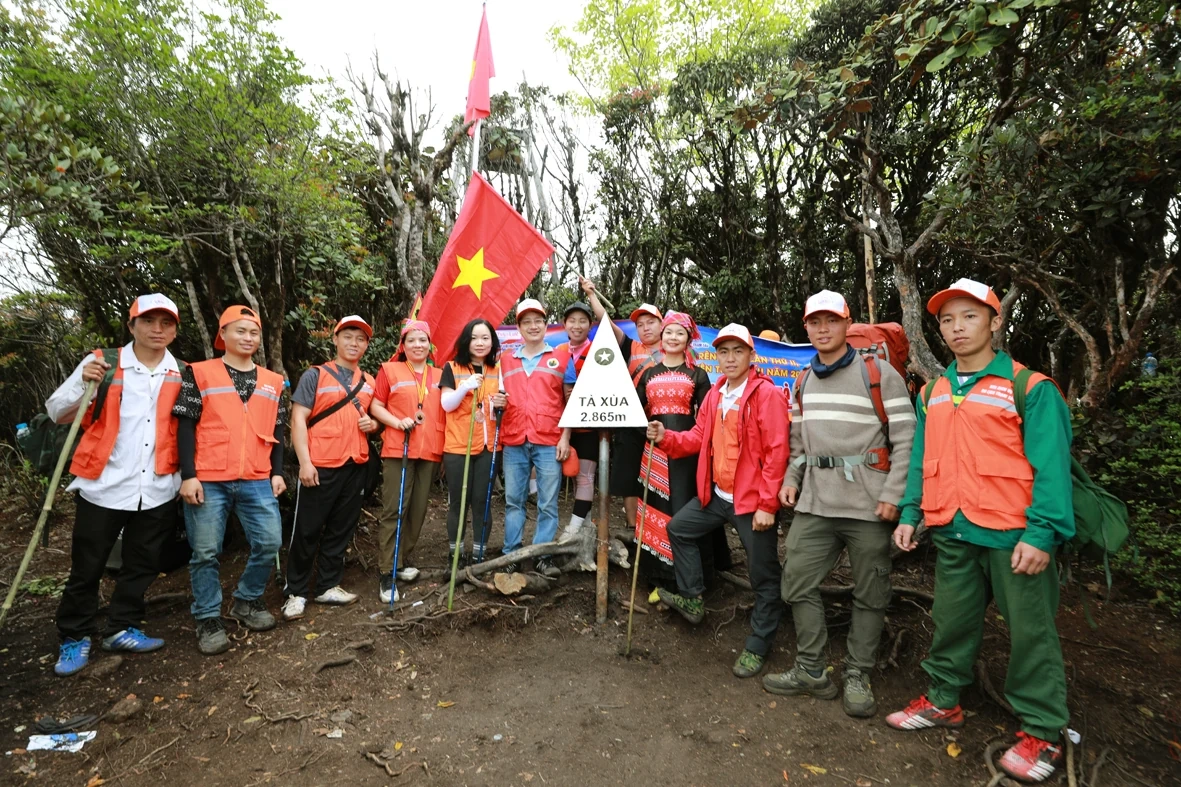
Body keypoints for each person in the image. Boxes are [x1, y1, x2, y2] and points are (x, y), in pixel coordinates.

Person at [885, 279, 1074, 784]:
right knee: (950, 621)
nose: (956, 328)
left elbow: (1052, 467)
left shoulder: (1029, 387)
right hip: (953, 530)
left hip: (1015, 535)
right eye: (947, 320)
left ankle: (1042, 731)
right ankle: (944, 700)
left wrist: (1043, 533)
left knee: (1031, 635)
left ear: (994, 321)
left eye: (969, 316)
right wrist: (910, 513)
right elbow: (921, 461)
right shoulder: (934, 392)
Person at [763, 290, 915, 718]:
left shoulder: (880, 374)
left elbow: (907, 440)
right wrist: (793, 478)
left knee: (871, 593)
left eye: (831, 320)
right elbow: (798, 442)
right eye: (815, 322)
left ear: (848, 323)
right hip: (815, 502)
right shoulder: (803, 380)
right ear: (806, 327)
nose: (823, 329)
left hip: (869, 504)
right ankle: (812, 669)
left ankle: (858, 673)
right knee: (795, 580)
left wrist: (893, 494)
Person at [45, 294, 184, 676]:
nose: (158, 329)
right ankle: (75, 636)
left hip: (157, 486)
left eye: (166, 323)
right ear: (132, 324)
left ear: (174, 329)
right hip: (104, 485)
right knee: (87, 567)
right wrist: (81, 384)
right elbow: (56, 411)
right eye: (149, 321)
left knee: (142, 565)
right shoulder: (102, 364)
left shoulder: (182, 372)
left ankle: (123, 626)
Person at [646, 324, 789, 679]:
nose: (729, 358)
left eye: (737, 351)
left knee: (763, 576)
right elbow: (697, 437)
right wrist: (667, 437)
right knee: (678, 528)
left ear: (750, 355)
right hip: (717, 496)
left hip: (751, 502)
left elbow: (776, 454)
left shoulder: (765, 395)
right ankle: (693, 597)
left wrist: (768, 506)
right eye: (723, 351)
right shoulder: (716, 394)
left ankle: (759, 643)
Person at [174, 305, 287, 656]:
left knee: (269, 542)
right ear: (222, 335)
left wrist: (278, 471)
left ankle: (247, 600)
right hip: (208, 477)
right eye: (240, 331)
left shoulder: (273, 380)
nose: (248, 338)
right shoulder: (200, 373)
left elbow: (278, 429)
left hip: (256, 476)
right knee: (205, 551)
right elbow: (186, 424)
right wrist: (188, 475)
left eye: (253, 332)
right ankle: (208, 617)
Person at [281, 316, 380, 620]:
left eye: (361, 339)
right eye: (348, 336)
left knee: (341, 528)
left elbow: (373, 420)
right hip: (320, 465)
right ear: (335, 339)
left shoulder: (368, 381)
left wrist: (373, 424)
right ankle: (295, 592)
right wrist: (305, 463)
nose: (354, 343)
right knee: (307, 530)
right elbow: (298, 419)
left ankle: (327, 584)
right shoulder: (315, 375)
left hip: (355, 464)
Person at [633, 311, 721, 592]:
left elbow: (708, 417)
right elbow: (634, 413)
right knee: (656, 506)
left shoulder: (698, 374)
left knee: (684, 507)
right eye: (669, 332)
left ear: (688, 339)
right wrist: (645, 433)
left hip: (687, 451)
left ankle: (692, 580)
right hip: (655, 448)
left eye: (679, 333)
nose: (673, 337)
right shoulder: (648, 373)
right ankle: (659, 576)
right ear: (662, 336)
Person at [578, 276, 663, 531]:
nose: (646, 328)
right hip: (632, 421)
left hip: (664, 424)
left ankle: (659, 530)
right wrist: (591, 294)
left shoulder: (676, 349)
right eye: (640, 324)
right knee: (629, 476)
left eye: (651, 323)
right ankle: (633, 528)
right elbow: (606, 322)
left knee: (662, 478)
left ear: (662, 325)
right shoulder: (631, 346)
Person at [369, 319, 445, 602]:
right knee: (394, 509)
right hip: (398, 448)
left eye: (422, 340)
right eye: (411, 340)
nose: (417, 345)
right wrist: (395, 421)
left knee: (418, 509)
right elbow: (376, 405)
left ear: (429, 344)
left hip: (429, 450)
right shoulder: (389, 370)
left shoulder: (440, 374)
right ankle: (386, 573)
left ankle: (401, 561)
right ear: (403, 345)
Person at [498, 299, 571, 576]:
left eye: (537, 320)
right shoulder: (505, 360)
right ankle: (511, 555)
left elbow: (570, 403)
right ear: (518, 327)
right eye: (526, 321)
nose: (533, 326)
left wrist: (565, 437)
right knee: (514, 501)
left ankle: (543, 556)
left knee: (548, 503)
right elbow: (497, 399)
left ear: (545, 324)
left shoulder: (563, 358)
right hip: (514, 439)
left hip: (549, 439)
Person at [439, 318, 500, 564]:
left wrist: (501, 405)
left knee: (481, 501)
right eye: (474, 337)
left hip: (489, 446)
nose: (480, 343)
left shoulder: (498, 369)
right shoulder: (452, 368)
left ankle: (478, 553)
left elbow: (505, 404)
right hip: (458, 446)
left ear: (492, 342)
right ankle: (456, 553)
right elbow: (446, 404)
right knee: (458, 501)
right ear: (466, 340)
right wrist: (464, 387)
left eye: (485, 338)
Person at [556, 301, 596, 541]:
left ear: (590, 325)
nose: (577, 325)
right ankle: (581, 524)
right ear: (564, 324)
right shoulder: (557, 350)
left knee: (585, 477)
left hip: (590, 426)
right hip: (558, 426)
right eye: (572, 320)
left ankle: (573, 530)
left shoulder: (600, 351)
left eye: (583, 321)